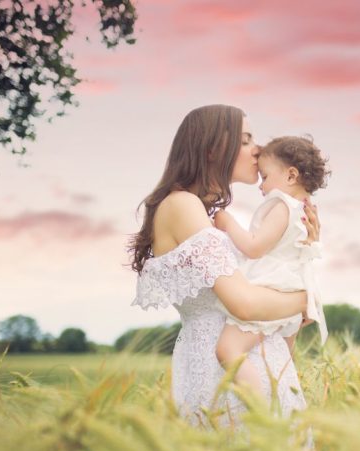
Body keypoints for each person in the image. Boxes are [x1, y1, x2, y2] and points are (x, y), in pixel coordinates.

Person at [129, 105, 320, 428]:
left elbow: (269, 307)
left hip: (257, 366)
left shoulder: (201, 214)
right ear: (213, 149)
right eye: (246, 140)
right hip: (224, 374)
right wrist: (308, 299)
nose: (258, 148)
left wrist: (302, 251)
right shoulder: (182, 205)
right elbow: (244, 304)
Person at [213, 135, 329, 399]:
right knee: (279, 361)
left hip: (271, 284)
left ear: (290, 176)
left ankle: (260, 408)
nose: (260, 185)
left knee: (229, 350)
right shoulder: (303, 208)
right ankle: (283, 404)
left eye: (264, 177)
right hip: (292, 285)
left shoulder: (282, 206)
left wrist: (228, 222)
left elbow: (254, 247)